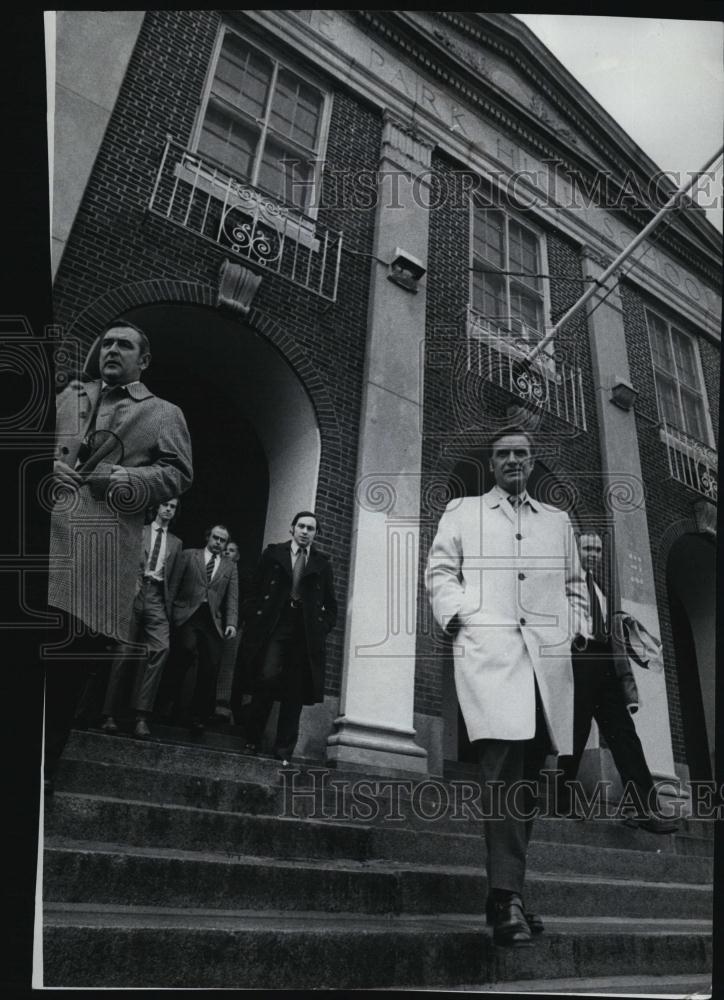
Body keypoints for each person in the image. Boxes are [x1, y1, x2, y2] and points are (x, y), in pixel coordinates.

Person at [425, 426, 588, 947]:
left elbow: (575, 585)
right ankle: (504, 900)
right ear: (491, 464)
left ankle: (509, 889)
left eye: (521, 453)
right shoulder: (463, 512)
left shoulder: (558, 523)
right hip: (492, 659)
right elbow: (441, 571)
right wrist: (461, 619)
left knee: (529, 782)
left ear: (532, 461)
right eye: (503, 455)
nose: (513, 460)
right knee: (500, 774)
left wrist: (575, 628)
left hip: (546, 666)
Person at [45, 320, 193, 789]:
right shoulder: (68, 396)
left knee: (65, 670)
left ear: (143, 359)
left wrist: (125, 480)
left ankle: (41, 772)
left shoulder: (164, 413)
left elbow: (178, 474)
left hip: (98, 556)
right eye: (106, 343)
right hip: (42, 542)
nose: (111, 350)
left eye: (124, 345)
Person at [556, 532, 678, 834]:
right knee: (576, 731)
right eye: (587, 548)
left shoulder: (598, 589)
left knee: (625, 734)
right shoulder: (560, 583)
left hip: (604, 664)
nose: (593, 553)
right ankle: (561, 800)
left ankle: (644, 809)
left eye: (597, 549)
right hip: (577, 658)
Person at [242, 511, 337, 765]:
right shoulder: (273, 554)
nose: (306, 532)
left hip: (304, 632)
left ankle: (284, 751)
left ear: (316, 534)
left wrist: (321, 628)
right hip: (276, 624)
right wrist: (253, 617)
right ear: (292, 528)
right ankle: (252, 739)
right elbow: (254, 588)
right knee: (267, 677)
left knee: (294, 692)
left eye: (311, 529)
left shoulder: (322, 563)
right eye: (302, 526)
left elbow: (331, 605)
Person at [99, 497, 183, 738]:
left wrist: (169, 608)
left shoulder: (177, 544)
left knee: (161, 649)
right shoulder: (139, 531)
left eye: (173, 506)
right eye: (165, 504)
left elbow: (174, 580)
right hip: (132, 595)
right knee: (123, 653)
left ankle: (141, 717)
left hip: (157, 598)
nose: (168, 509)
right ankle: (109, 715)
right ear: (156, 507)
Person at [171, 524, 238, 733]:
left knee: (210, 666)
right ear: (208, 537)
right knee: (184, 652)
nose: (218, 543)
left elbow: (232, 597)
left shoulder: (229, 566)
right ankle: (172, 708)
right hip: (188, 615)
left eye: (223, 540)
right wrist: (169, 611)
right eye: (216, 538)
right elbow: (174, 584)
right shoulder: (189, 555)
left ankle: (197, 716)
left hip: (212, 620)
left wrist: (231, 623)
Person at [213, 540, 244, 724]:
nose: (227, 553)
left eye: (231, 551)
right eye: (225, 550)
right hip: (214, 622)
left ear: (237, 556)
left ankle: (222, 704)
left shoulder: (242, 576)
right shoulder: (215, 570)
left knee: (227, 665)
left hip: (233, 626)